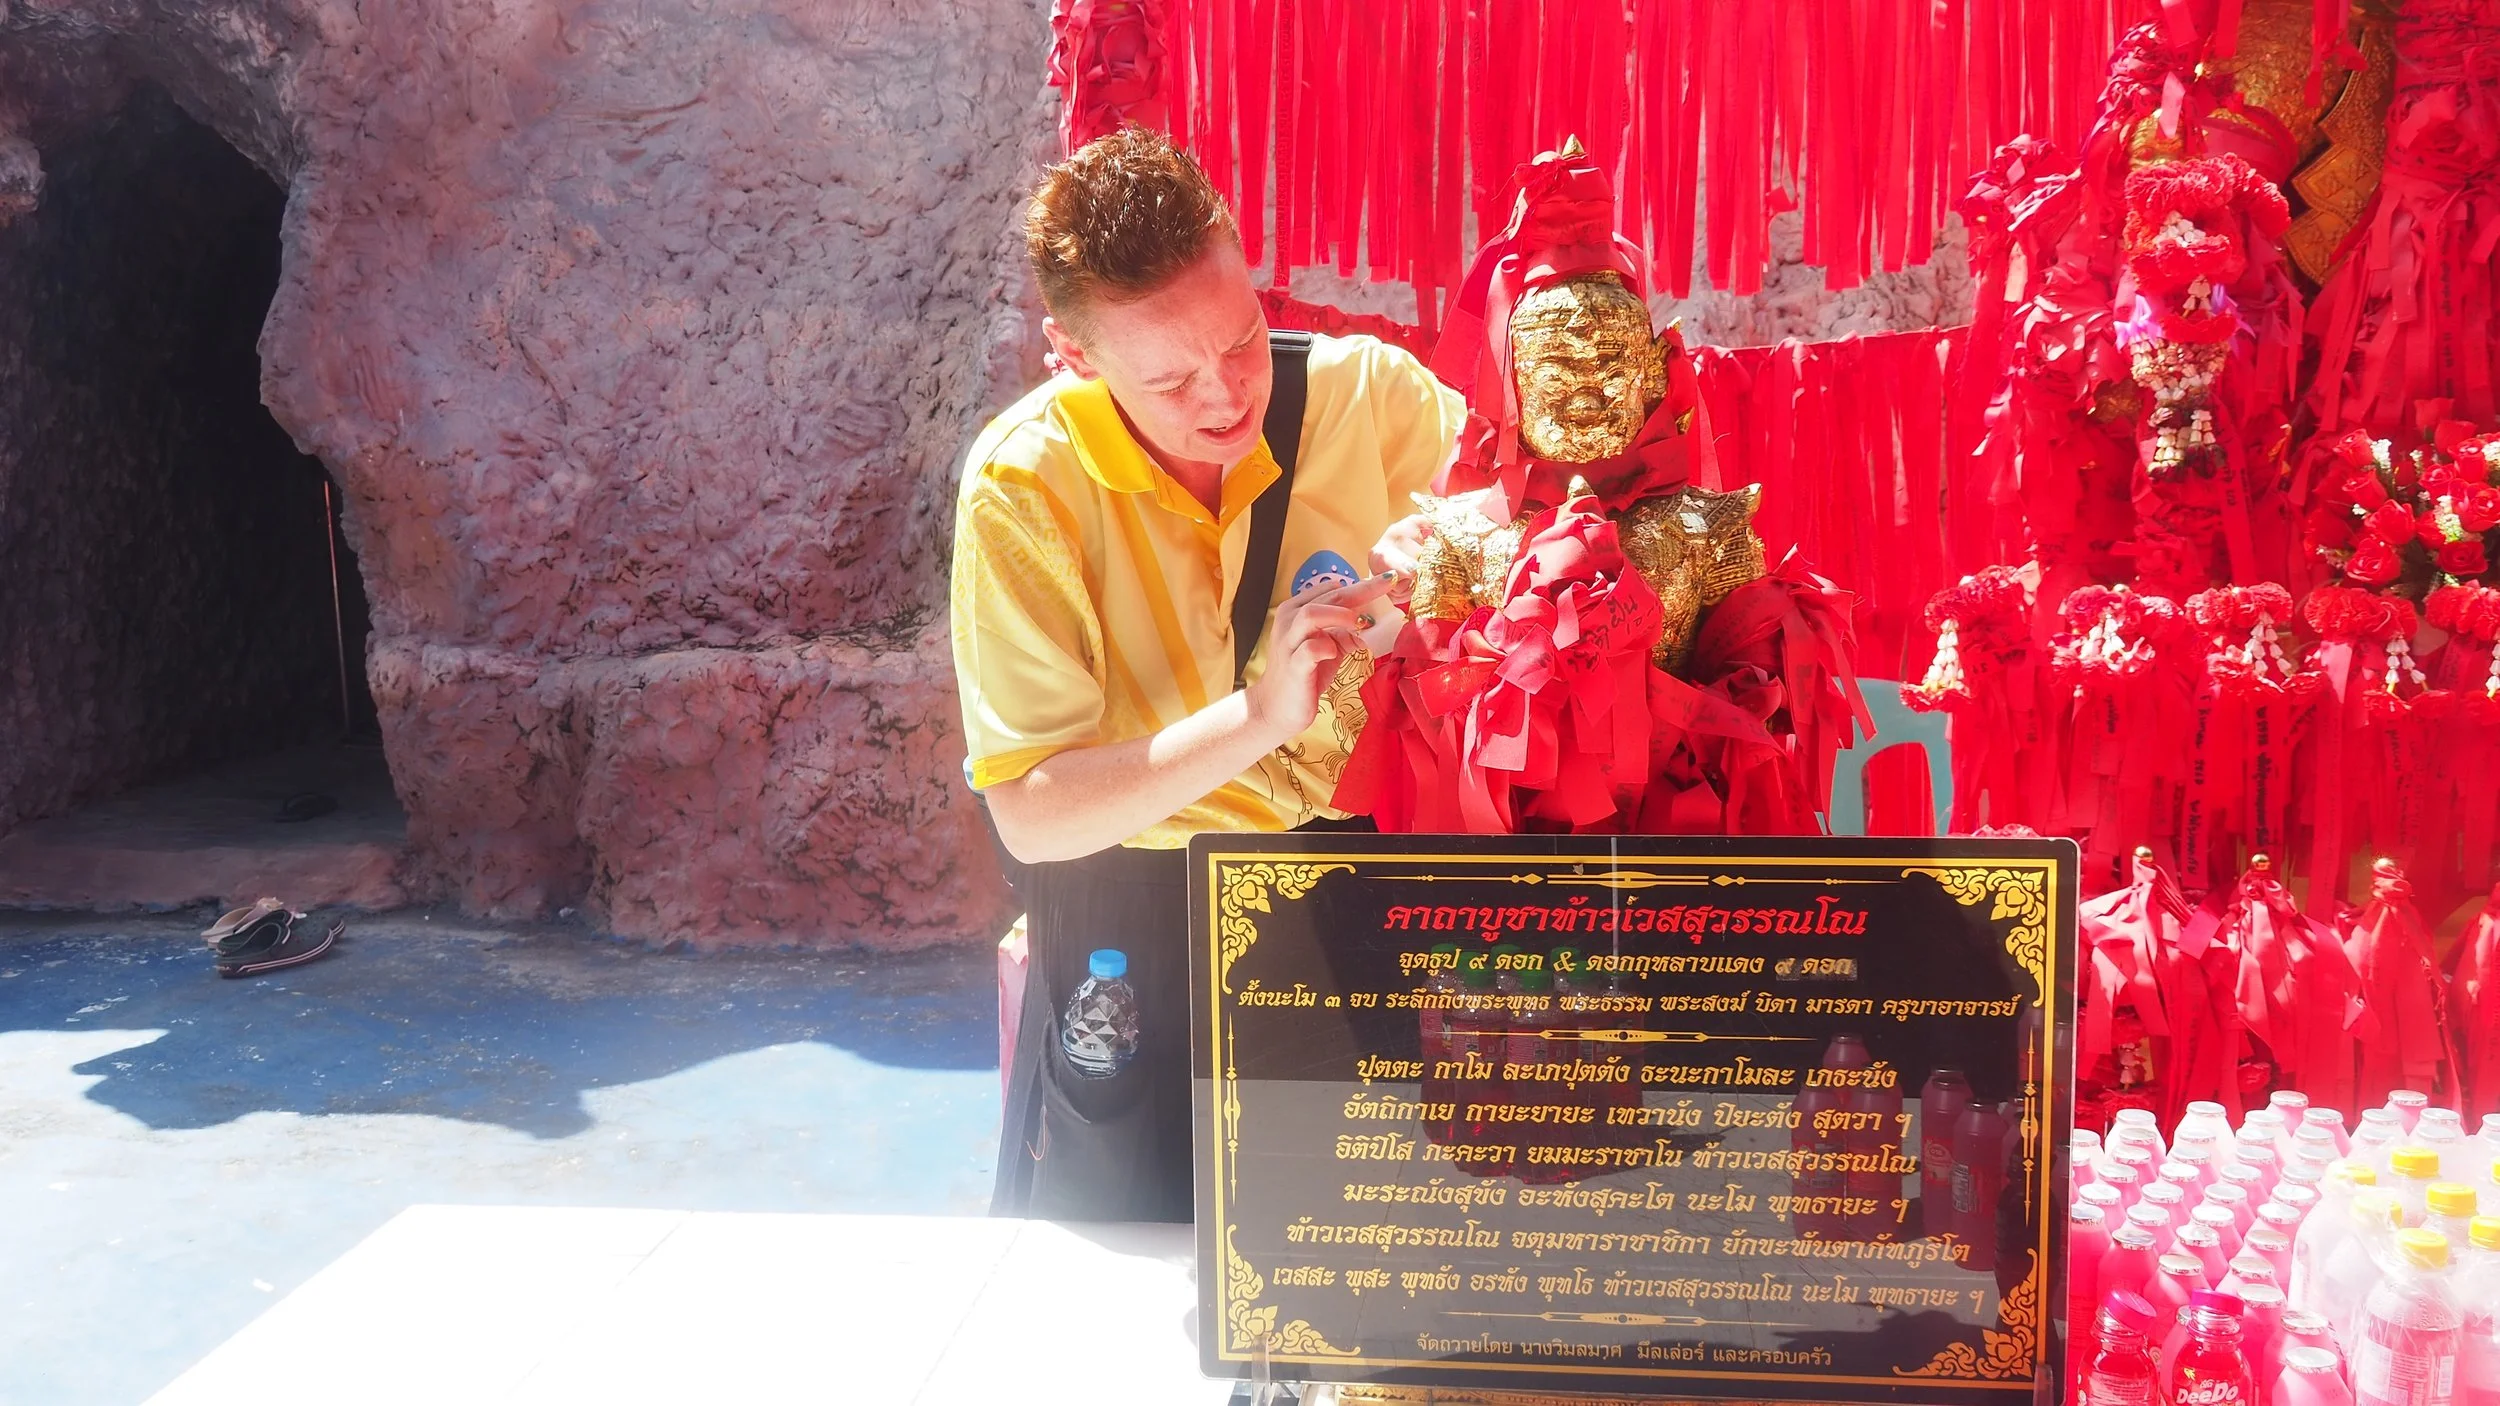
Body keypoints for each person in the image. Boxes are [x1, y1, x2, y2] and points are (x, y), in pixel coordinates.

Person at [950, 127, 1467, 1221]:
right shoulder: (1021, 486)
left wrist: (1468, 580)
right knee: (1125, 1273)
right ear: (1076, 355)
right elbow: (1033, 817)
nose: (1227, 394)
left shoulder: (1374, 402)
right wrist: (1259, 716)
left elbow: (1529, 574)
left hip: (1363, 899)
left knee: (1384, 1263)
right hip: (1134, 917)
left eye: (1240, 339)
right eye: (1170, 376)